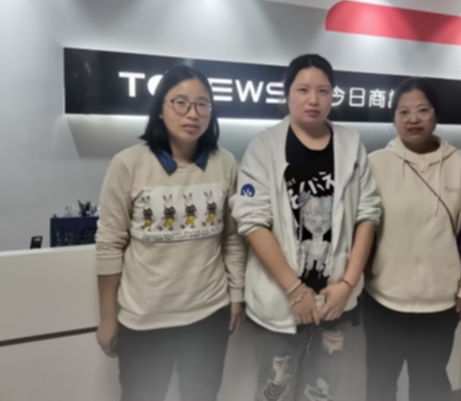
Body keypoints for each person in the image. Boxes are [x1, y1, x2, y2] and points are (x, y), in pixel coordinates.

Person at [230, 54, 381, 401]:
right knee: (275, 391)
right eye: (303, 90)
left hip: (335, 301)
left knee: (323, 391)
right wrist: (295, 290)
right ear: (287, 94)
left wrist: (347, 284)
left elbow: (368, 214)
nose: (313, 100)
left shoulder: (351, 144)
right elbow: (252, 222)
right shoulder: (264, 146)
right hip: (280, 300)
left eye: (323, 91)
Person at [95, 65, 246, 401]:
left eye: (202, 104)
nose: (192, 113)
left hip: (208, 313)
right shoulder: (129, 163)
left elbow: (232, 239)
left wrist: (236, 296)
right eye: (180, 102)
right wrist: (107, 317)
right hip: (144, 319)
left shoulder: (225, 163)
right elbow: (109, 245)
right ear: (160, 109)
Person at [364, 77, 461, 401]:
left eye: (422, 110)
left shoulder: (458, 165)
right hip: (384, 300)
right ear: (393, 118)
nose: (413, 119)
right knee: (379, 382)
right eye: (404, 111)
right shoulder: (375, 164)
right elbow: (361, 232)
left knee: (430, 383)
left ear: (436, 114)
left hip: (440, 304)